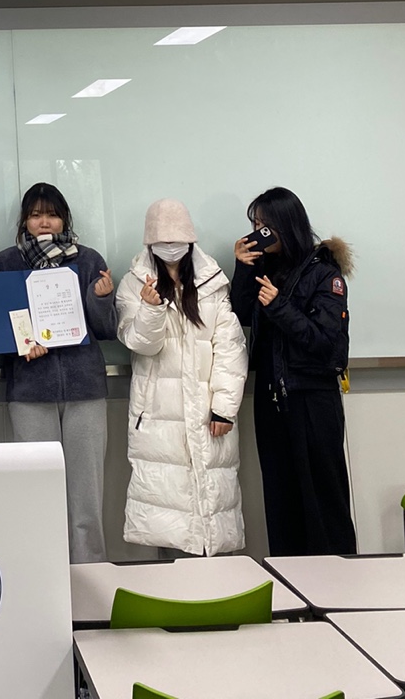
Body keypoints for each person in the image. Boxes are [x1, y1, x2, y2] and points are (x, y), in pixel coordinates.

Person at [0, 183, 117, 562]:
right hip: (30, 394)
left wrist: (101, 298)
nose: (44, 222)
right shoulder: (7, 263)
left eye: (52, 214)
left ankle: (90, 574)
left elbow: (107, 329)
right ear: (24, 221)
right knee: (37, 493)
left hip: (85, 391)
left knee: (86, 497)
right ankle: (42, 573)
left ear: (64, 219)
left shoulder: (88, 260)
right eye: (35, 215)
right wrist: (21, 342)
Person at [116, 198, 247, 556]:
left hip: (208, 413)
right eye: (162, 240)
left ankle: (216, 585)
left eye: (177, 239)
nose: (171, 247)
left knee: (212, 505)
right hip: (159, 415)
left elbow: (230, 347)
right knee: (167, 513)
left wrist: (224, 407)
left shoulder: (212, 282)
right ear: (150, 242)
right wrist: (151, 308)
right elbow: (140, 344)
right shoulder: (133, 283)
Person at [231, 186, 356, 556]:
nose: (258, 232)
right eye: (255, 224)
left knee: (323, 500)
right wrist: (244, 267)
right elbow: (240, 314)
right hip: (272, 400)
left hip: (311, 399)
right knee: (281, 500)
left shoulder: (325, 274)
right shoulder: (266, 268)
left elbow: (326, 342)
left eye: (264, 225)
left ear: (285, 225)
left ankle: (337, 580)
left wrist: (279, 307)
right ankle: (289, 582)